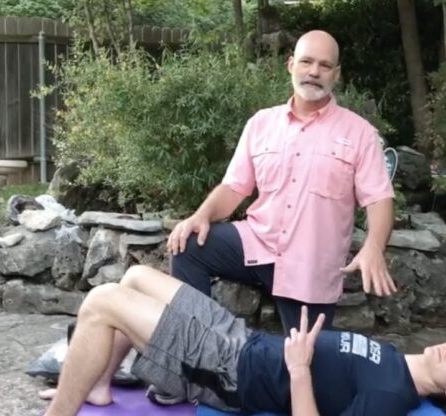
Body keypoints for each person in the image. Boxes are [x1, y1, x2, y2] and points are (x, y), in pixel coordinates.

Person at [0, 266, 446, 416]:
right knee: (134, 277)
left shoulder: (390, 400)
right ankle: (98, 385)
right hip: (240, 338)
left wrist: (298, 372)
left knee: (103, 301)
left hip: (231, 371)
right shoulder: (394, 358)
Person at [166, 29, 397, 334]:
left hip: (310, 267)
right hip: (257, 243)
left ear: (336, 74)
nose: (314, 72)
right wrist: (201, 215)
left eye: (325, 65)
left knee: (309, 360)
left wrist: (374, 246)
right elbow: (234, 186)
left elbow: (379, 198)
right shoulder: (261, 123)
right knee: (187, 248)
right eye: (306, 62)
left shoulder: (360, 133)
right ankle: (200, 349)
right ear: (291, 65)